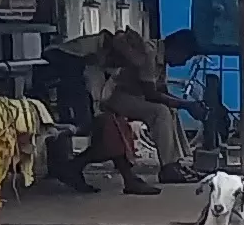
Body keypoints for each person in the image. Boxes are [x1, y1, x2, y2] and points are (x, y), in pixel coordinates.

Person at [51, 26, 199, 194]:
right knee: (114, 126)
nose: (123, 67)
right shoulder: (92, 61)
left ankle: (75, 167)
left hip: (98, 96)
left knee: (115, 127)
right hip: (87, 94)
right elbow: (100, 95)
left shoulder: (111, 63)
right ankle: (130, 178)